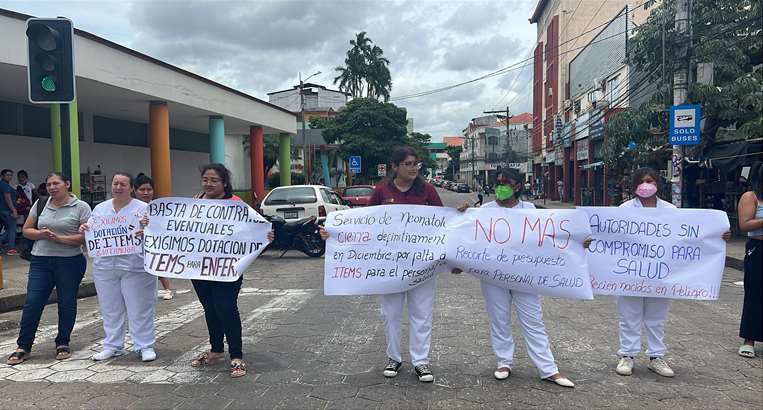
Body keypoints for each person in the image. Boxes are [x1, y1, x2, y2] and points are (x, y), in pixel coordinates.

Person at [321, 147, 443, 383]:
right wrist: (334, 233)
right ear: (395, 167)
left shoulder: (426, 190)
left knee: (422, 314)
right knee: (391, 314)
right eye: (408, 164)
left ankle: (421, 362)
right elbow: (364, 223)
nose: (414, 168)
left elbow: (444, 221)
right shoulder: (382, 191)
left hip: (422, 264)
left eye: (416, 163)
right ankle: (394, 358)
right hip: (390, 266)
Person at [456, 168, 576, 388]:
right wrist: (461, 214)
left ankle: (548, 369)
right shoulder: (484, 210)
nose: (500, 186)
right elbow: (466, 235)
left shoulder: (532, 210)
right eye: (498, 182)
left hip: (525, 277)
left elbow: (558, 233)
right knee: (499, 319)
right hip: (493, 276)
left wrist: (579, 240)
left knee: (533, 320)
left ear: (518, 186)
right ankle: (504, 362)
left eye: (506, 182)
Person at [614, 167, 731, 377]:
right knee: (629, 317)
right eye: (642, 181)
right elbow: (610, 237)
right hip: (630, 273)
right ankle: (627, 356)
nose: (646, 185)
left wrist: (718, 234)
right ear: (634, 186)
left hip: (661, 275)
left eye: (651, 181)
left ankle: (656, 357)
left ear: (658, 185)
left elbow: (688, 236)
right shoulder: (623, 210)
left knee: (656, 318)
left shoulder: (670, 210)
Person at [187, 163, 273, 378]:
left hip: (227, 268)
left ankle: (236, 356)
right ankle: (216, 350)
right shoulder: (195, 203)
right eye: (205, 179)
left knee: (226, 307)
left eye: (214, 180)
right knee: (210, 308)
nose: (209, 183)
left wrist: (265, 237)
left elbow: (255, 228)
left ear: (224, 183)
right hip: (200, 268)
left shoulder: (236, 205)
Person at [6, 172, 91, 365]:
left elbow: (86, 238)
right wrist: (41, 234)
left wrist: (60, 239)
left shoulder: (81, 207)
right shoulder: (41, 203)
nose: (52, 187)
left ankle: (63, 342)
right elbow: (27, 230)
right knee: (33, 302)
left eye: (56, 183)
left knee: (67, 302)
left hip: (70, 262)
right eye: (49, 184)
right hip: (41, 261)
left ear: (67, 184)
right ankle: (23, 346)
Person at [80, 173, 157, 362]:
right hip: (105, 267)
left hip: (136, 267)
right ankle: (113, 345)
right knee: (110, 309)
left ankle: (144, 345)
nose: (118, 187)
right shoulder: (100, 209)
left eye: (123, 184)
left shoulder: (144, 209)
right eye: (115, 183)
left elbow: (159, 234)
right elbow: (91, 230)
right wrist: (84, 229)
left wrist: (148, 230)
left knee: (139, 308)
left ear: (131, 188)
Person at [737, 162, 763, 358]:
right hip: (758, 249)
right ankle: (749, 340)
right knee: (755, 293)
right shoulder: (751, 197)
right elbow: (745, 225)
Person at [134, 174, 173, 301]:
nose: (146, 193)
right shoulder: (129, 208)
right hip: (134, 248)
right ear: (134, 191)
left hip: (154, 245)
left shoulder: (158, 208)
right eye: (142, 190)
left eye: (149, 190)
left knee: (157, 265)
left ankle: (168, 289)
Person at [1, 169, 19, 255]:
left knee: (9, 229)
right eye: (7, 175)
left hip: (4, 210)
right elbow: (7, 198)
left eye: (11, 175)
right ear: (2, 176)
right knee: (12, 229)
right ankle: (11, 249)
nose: (9, 177)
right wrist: (14, 210)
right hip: (7, 210)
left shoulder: (4, 184)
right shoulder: (4, 185)